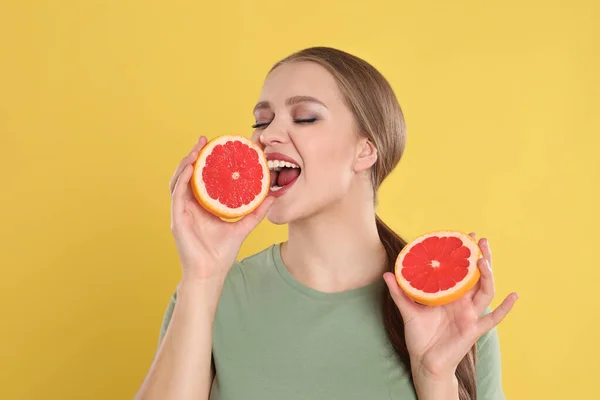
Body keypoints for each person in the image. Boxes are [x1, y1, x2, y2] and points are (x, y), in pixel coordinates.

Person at [134, 47, 518, 400]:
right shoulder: (212, 294)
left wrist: (434, 378)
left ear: (365, 149)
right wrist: (201, 278)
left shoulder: (447, 306)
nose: (266, 135)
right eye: (261, 120)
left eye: (304, 117)